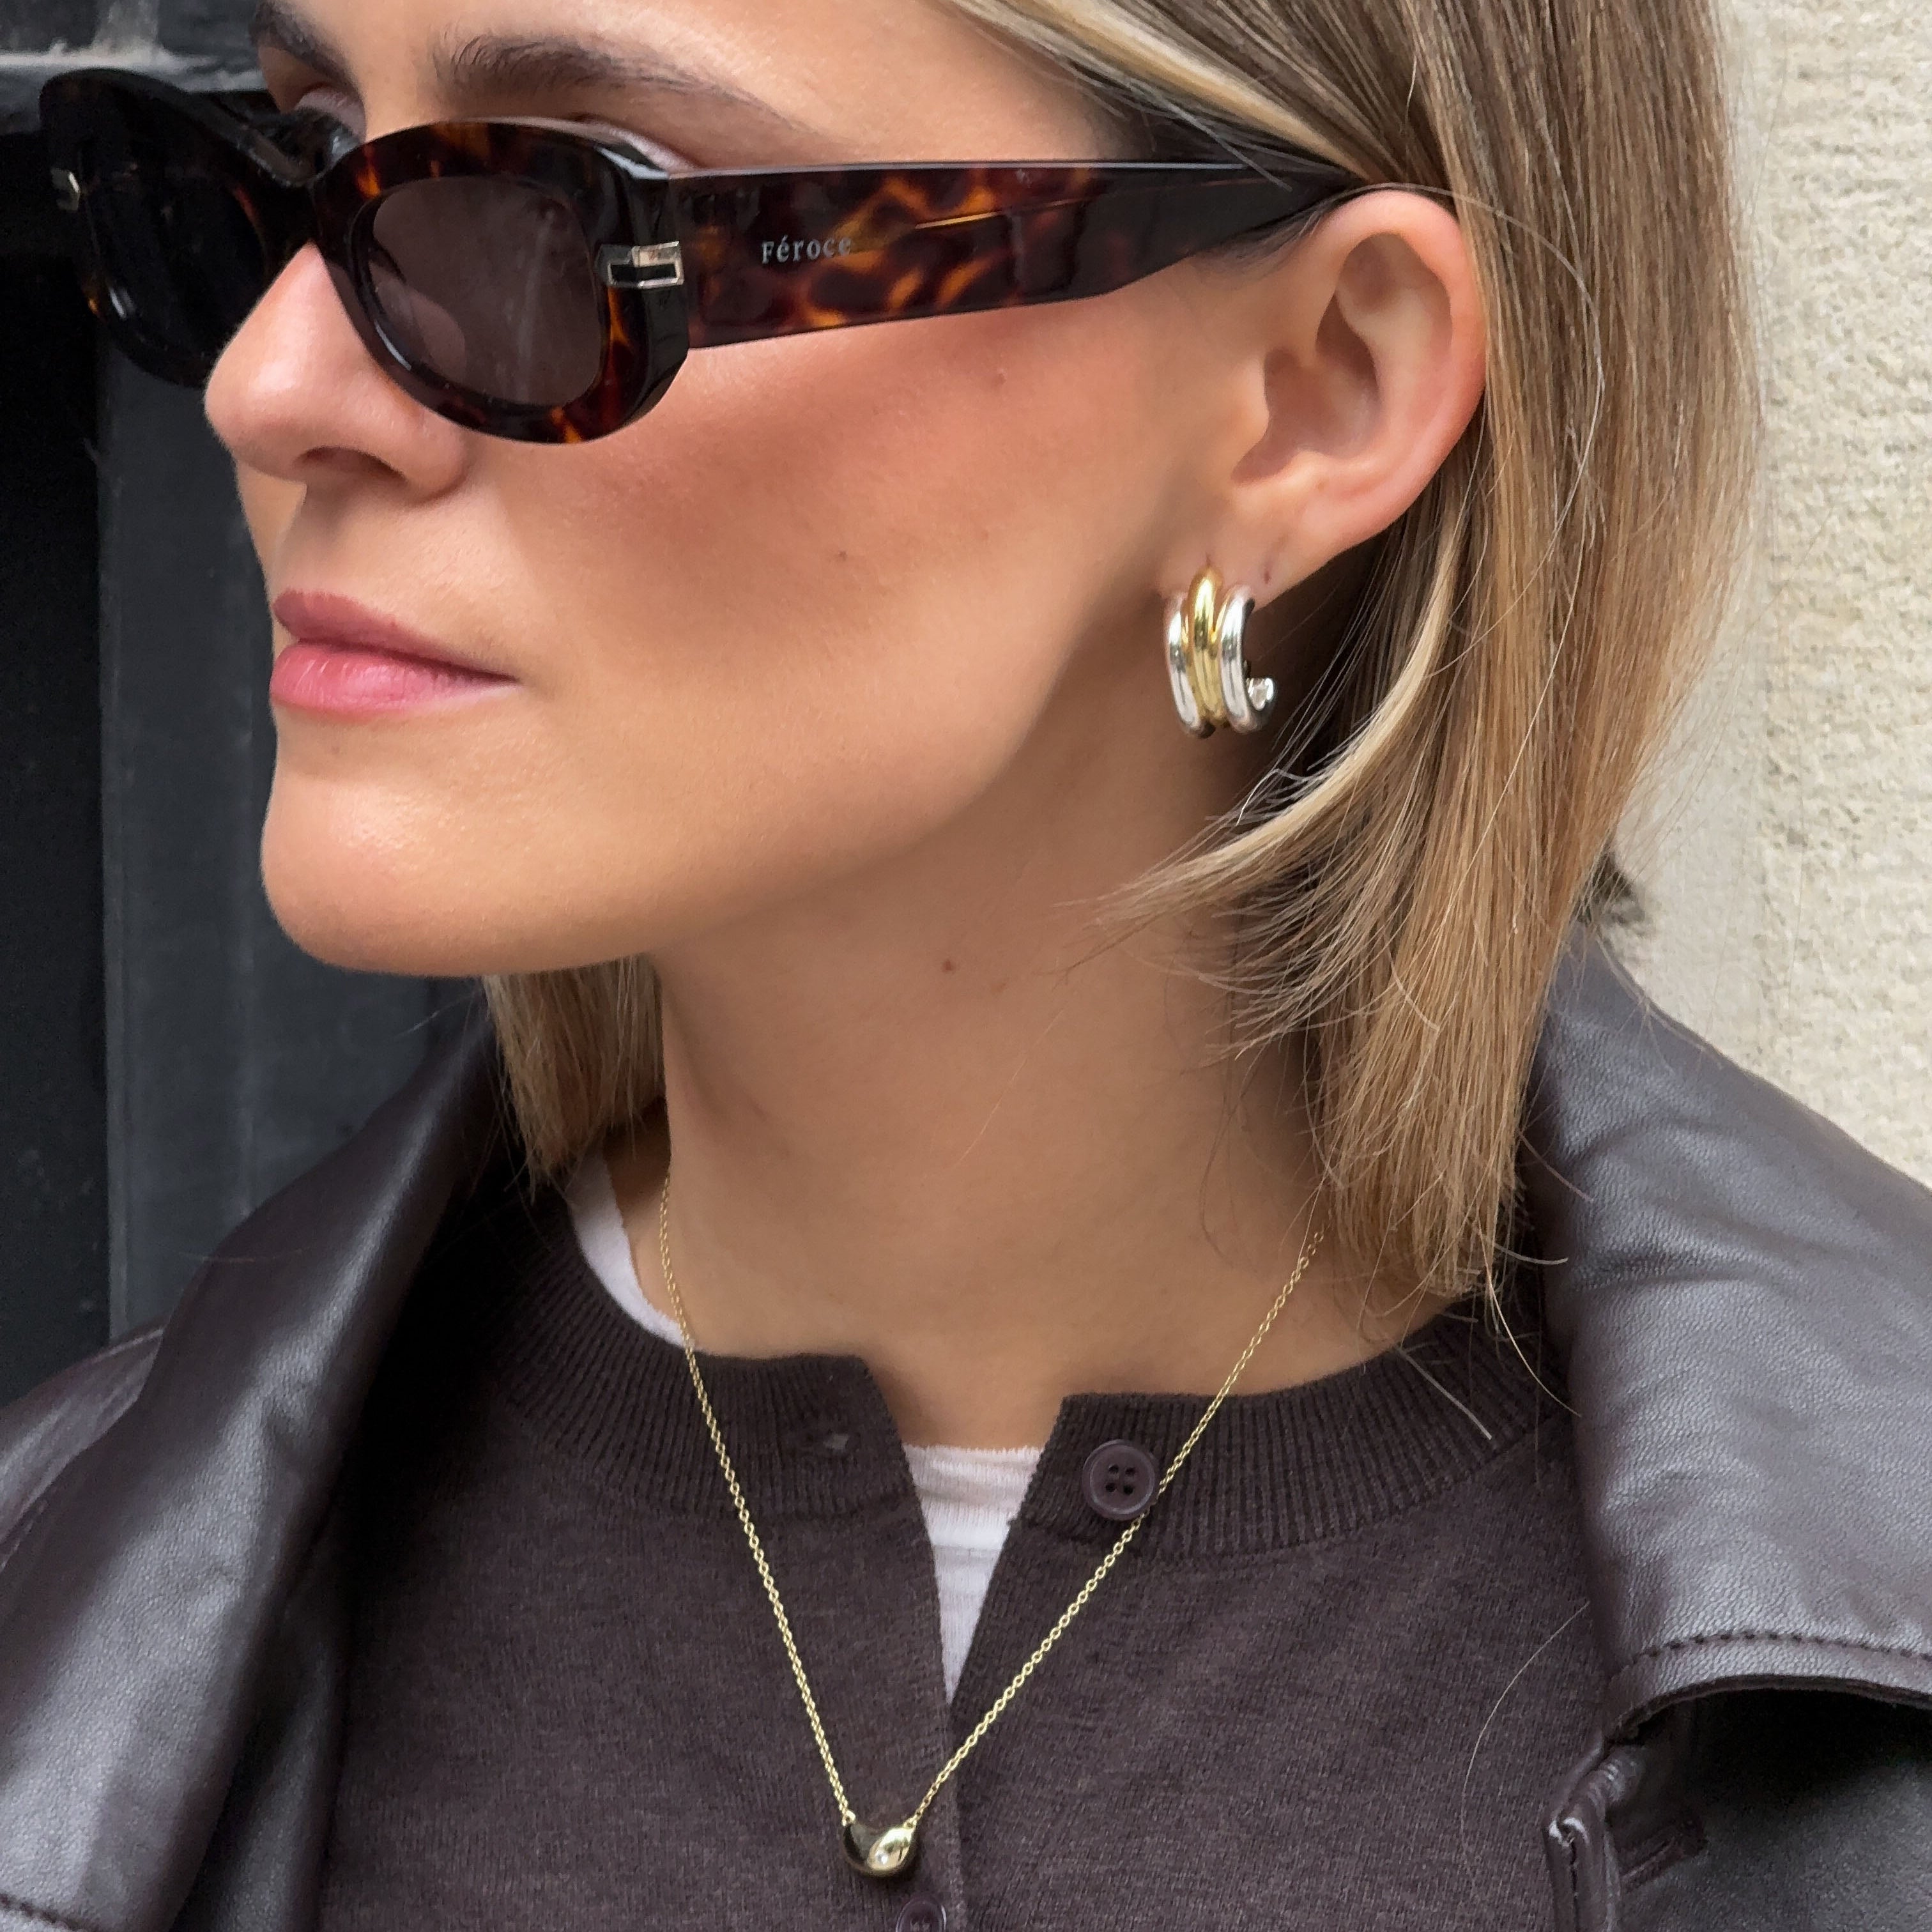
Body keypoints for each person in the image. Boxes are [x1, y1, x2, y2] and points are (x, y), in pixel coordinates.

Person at [3, 0, 1928, 1926]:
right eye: (304, 158)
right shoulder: (62, 1645)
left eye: (573, 214)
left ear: (1316, 391)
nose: (271, 383)